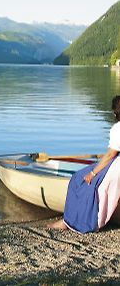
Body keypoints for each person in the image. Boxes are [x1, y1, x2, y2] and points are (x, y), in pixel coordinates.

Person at [49, 95, 120, 232]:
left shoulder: (117, 128)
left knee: (78, 180)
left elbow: (111, 154)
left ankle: (72, 221)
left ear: (115, 112)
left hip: (117, 164)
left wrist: (92, 173)